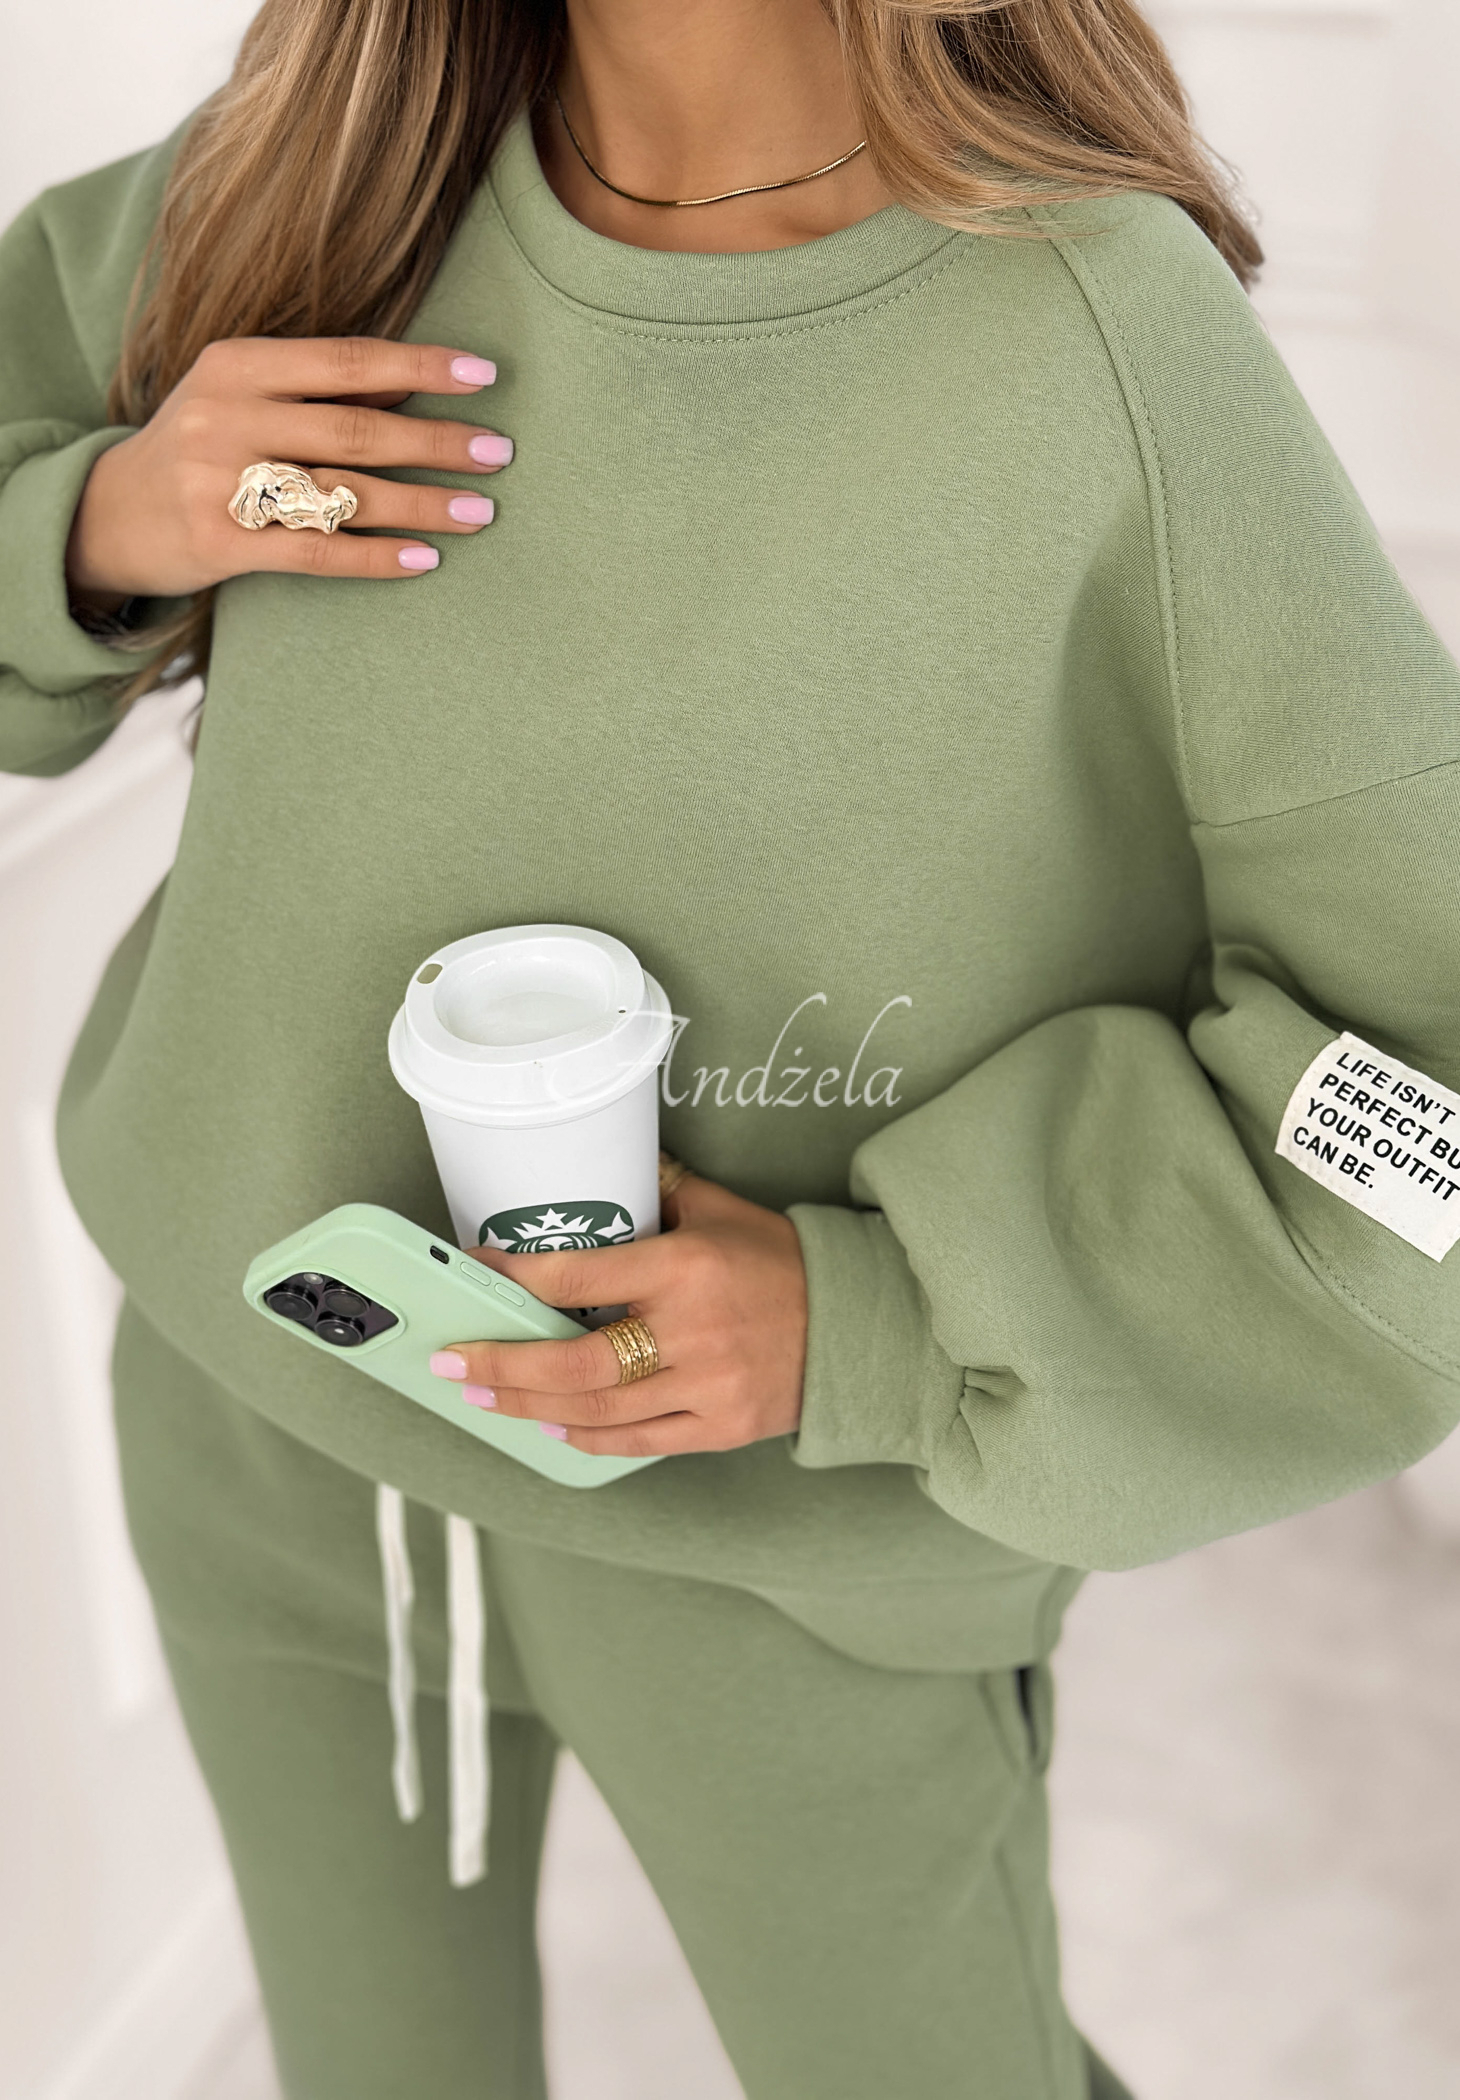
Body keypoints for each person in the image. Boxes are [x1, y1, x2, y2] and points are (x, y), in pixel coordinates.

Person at [3, 0, 1458, 2093]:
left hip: (797, 1537)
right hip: (271, 1407)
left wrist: (874, 1320)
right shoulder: (317, 174)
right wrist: (106, 525)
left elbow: (1423, 1092)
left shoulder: (1101, 331)